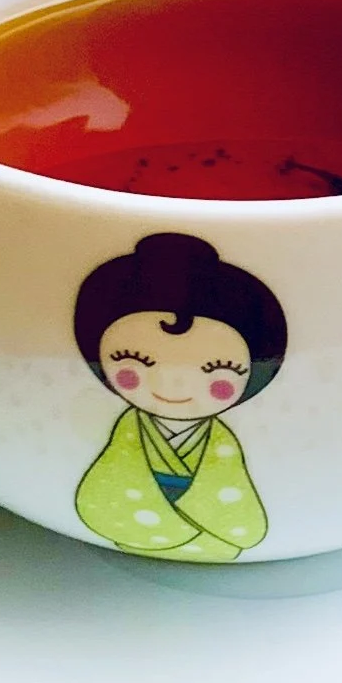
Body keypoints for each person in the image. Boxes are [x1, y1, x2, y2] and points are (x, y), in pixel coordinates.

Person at [71, 231, 287, 562]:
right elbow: (105, 489)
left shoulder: (219, 442)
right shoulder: (128, 431)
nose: (174, 386)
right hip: (133, 534)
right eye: (135, 365)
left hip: (208, 533)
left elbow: (235, 504)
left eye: (217, 372)